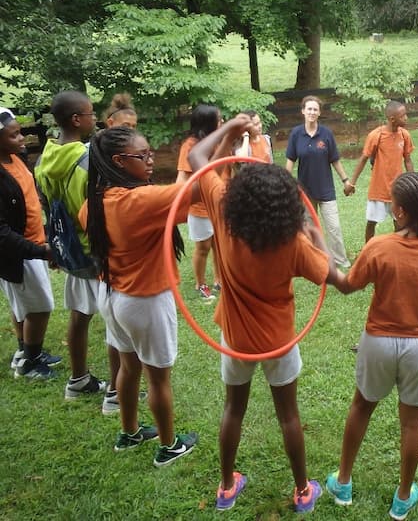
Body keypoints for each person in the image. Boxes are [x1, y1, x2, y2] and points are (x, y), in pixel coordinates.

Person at [189, 115, 328, 513]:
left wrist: (230, 129)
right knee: (289, 415)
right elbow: (325, 273)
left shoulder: (222, 213)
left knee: (233, 408)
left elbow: (200, 156)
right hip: (280, 342)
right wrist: (313, 234)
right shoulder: (293, 243)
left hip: (236, 340)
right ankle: (303, 490)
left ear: (237, 197)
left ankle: (226, 485)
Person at [323, 172, 418, 520]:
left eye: (391, 200)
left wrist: (323, 263)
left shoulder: (378, 246)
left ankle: (342, 481)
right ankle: (403, 497)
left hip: (378, 342)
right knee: (412, 422)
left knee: (362, 405)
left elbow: (346, 286)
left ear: (400, 211)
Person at [85, 125, 198, 467]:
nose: (151, 161)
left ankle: (130, 432)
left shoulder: (97, 199)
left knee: (129, 366)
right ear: (119, 161)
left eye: (151, 154)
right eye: (143, 156)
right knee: (157, 378)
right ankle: (168, 446)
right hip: (144, 300)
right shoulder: (137, 200)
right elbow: (194, 184)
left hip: (112, 296)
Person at [36, 91, 118, 406]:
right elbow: (99, 211)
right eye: (89, 113)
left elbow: (47, 206)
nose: (93, 118)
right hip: (96, 252)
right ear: (76, 119)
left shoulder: (44, 158)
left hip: (69, 250)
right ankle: (115, 393)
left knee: (80, 316)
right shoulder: (87, 160)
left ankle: (79, 379)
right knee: (115, 323)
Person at [0, 107, 60, 380]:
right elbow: (2, 233)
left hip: (33, 243)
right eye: (13, 136)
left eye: (20, 132)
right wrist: (40, 250)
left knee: (23, 306)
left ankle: (26, 350)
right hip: (20, 253)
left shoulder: (16, 158)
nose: (22, 139)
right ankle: (29, 363)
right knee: (40, 306)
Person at [286, 95, 352, 269]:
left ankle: (340, 260)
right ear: (303, 111)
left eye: (315, 109)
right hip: (305, 193)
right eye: (309, 109)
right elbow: (290, 161)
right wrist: (286, 184)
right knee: (309, 230)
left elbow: (335, 160)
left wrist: (345, 180)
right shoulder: (296, 134)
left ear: (319, 112)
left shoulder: (326, 134)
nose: (312, 112)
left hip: (326, 190)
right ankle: (314, 262)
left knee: (334, 228)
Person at [347, 100, 414, 243]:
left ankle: (398, 250)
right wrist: (351, 183)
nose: (406, 118)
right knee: (371, 222)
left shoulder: (405, 135)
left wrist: (413, 182)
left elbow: (407, 160)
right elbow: (364, 159)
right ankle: (368, 251)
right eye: (403, 116)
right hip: (378, 190)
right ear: (392, 119)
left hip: (398, 190)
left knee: (400, 223)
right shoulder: (376, 135)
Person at [176, 104, 222, 299]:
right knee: (203, 247)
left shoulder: (219, 143)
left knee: (220, 246)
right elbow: (182, 180)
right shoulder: (190, 146)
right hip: (200, 207)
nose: (222, 123)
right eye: (219, 120)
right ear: (208, 123)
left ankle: (220, 281)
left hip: (220, 204)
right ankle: (200, 284)